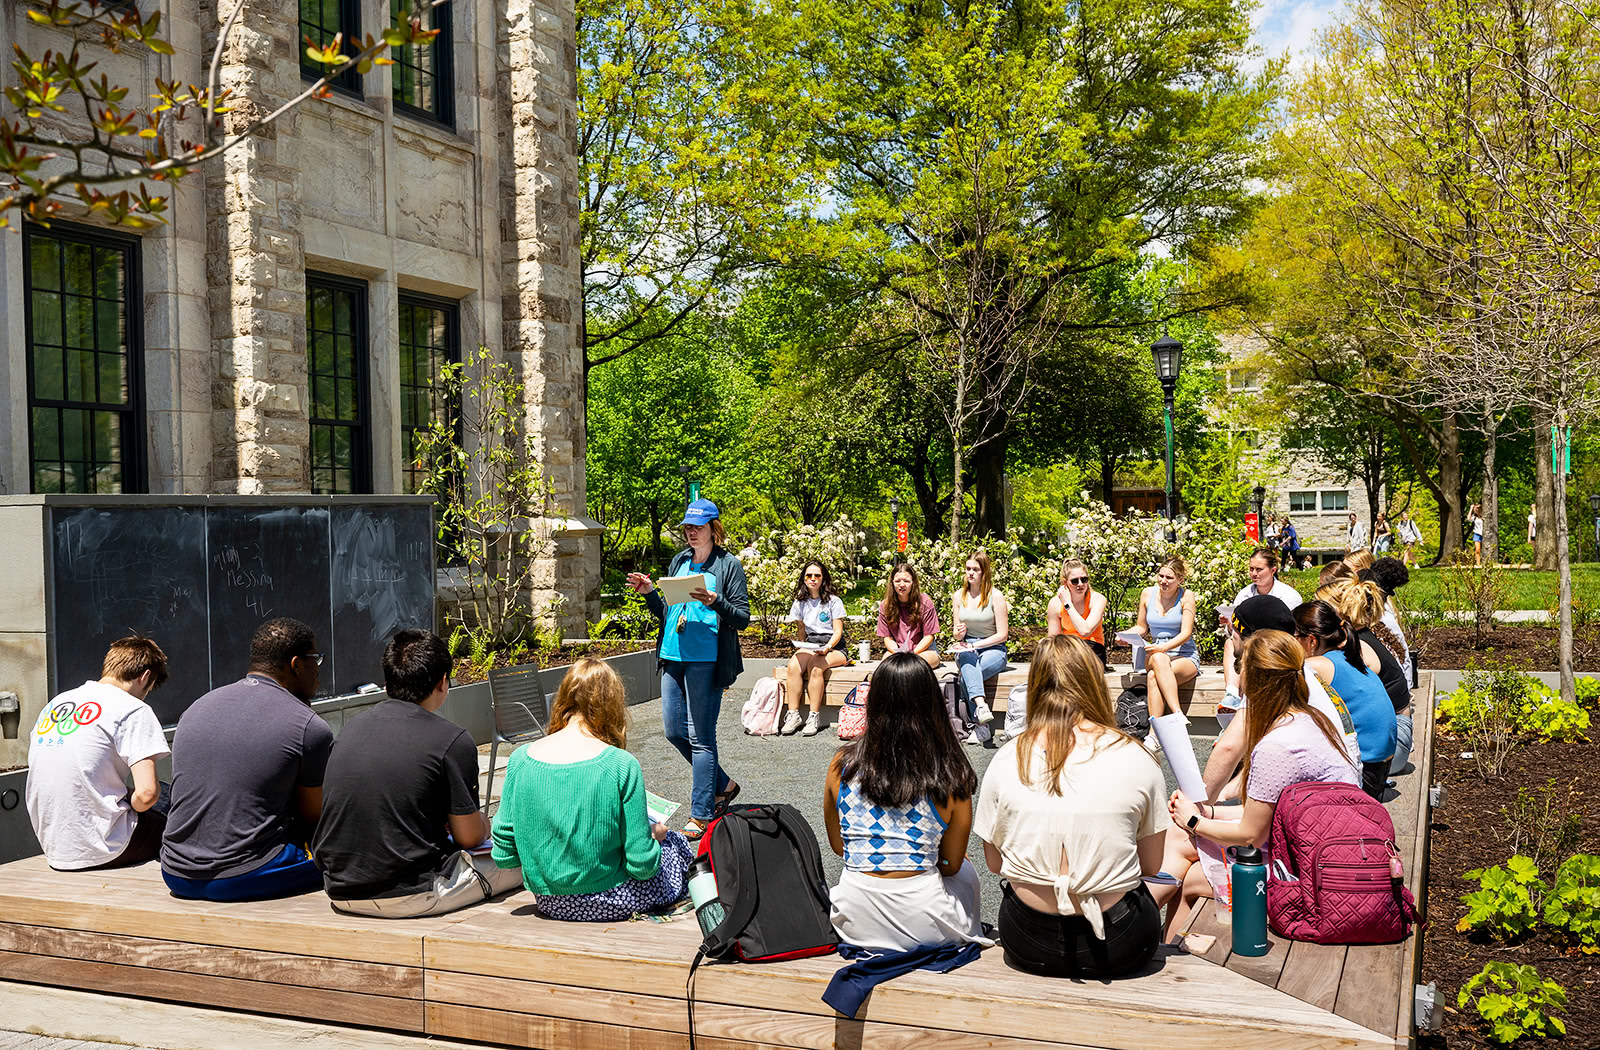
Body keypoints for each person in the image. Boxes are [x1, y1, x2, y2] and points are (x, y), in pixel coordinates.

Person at [975, 636, 1165, 978]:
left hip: (1028, 937)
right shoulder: (1136, 756)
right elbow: (1151, 864)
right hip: (1120, 939)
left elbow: (994, 862)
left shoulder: (1008, 757)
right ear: (1094, 683)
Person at [1155, 630, 1359, 936]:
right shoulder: (1312, 719)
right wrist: (1207, 815)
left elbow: (1250, 835)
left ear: (1255, 679)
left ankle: (1144, 926)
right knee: (1179, 835)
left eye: (1241, 666)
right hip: (1330, 848)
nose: (1237, 674)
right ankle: (1142, 916)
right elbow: (1271, 814)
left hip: (1310, 874)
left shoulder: (1276, 746)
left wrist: (1195, 820)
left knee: (1192, 875)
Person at [313, 629, 522, 917]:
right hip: (413, 893)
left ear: (387, 683)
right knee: (520, 857)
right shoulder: (452, 740)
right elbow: (469, 838)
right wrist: (485, 825)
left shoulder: (349, 731)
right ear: (443, 682)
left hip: (339, 890)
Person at [491, 658, 693, 921]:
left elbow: (504, 856)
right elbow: (641, 865)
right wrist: (653, 837)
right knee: (676, 844)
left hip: (548, 900)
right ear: (613, 705)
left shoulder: (520, 759)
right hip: (611, 897)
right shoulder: (621, 765)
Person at [823, 652, 987, 952]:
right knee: (965, 870)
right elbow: (950, 864)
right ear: (931, 702)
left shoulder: (842, 764)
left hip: (852, 918)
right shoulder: (949, 769)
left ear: (874, 701)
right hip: (926, 923)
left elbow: (839, 845)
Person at [160, 618, 333, 901]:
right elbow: (314, 816)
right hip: (243, 875)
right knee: (351, 852)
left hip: (176, 872)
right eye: (315, 659)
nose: (318, 669)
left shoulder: (196, 708)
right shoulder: (307, 726)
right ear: (296, 664)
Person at [627, 498, 747, 839]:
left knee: (701, 737)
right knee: (674, 731)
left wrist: (715, 601)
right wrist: (650, 592)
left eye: (698, 527)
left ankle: (701, 813)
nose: (691, 533)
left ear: (713, 529)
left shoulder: (728, 565)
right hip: (672, 654)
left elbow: (742, 617)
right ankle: (723, 784)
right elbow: (666, 612)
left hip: (706, 659)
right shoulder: (679, 560)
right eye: (688, 528)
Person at [26, 637, 171, 871]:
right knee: (172, 798)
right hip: (105, 848)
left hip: (55, 845)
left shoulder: (57, 703)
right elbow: (147, 795)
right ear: (145, 677)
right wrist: (134, 803)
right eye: (149, 689)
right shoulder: (133, 709)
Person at [1201, 596, 1358, 803]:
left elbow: (1228, 748)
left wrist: (1197, 807)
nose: (1230, 639)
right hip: (1344, 789)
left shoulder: (1269, 676)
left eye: (1234, 631)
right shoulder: (1294, 669)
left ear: (1250, 639)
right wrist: (1224, 793)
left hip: (1327, 806)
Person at [1292, 600, 1395, 799]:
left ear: (1311, 641)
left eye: (1293, 637)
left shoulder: (1316, 666)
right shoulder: (1348, 657)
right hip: (1380, 766)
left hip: (1364, 772)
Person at [1321, 577, 1413, 774]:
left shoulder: (1358, 647)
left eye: (1322, 608)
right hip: (1394, 737)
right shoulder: (1362, 635)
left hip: (1394, 745)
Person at [1221, 548, 1302, 701]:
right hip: (1247, 646)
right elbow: (1234, 634)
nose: (1254, 573)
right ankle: (1231, 694)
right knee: (1229, 643)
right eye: (1251, 569)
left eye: (1259, 569)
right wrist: (1230, 624)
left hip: (1275, 648)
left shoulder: (1289, 596)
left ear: (1273, 570)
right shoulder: (1244, 594)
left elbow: (1292, 632)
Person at [782, 561, 849, 737]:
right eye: (809, 576)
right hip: (811, 643)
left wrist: (827, 647)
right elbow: (802, 630)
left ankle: (813, 716)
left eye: (817, 576)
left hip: (834, 646)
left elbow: (838, 632)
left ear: (823, 578)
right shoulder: (800, 602)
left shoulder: (834, 601)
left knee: (816, 665)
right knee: (794, 666)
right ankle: (794, 714)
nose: (813, 579)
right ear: (804, 579)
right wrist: (800, 648)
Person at [1133, 557, 1199, 728]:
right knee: (1159, 659)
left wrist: (1163, 647)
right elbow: (1141, 628)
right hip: (1155, 653)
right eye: (1161, 576)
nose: (1163, 581)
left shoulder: (1186, 596)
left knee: (1153, 676)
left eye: (1169, 578)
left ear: (1180, 579)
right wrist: (1126, 635)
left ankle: (1154, 735)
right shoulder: (1147, 593)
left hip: (1183, 654)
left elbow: (1186, 633)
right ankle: (1177, 713)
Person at [951, 551, 1009, 744]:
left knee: (968, 676)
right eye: (968, 569)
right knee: (968, 660)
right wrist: (959, 634)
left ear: (984, 572)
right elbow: (956, 633)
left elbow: (1003, 634)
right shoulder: (959, 596)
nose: (971, 573)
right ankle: (982, 708)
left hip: (994, 648)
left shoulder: (996, 596)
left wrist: (975, 644)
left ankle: (980, 725)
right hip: (967, 648)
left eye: (975, 569)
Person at [876, 562, 941, 669]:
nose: (902, 585)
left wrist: (912, 654)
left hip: (923, 651)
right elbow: (887, 638)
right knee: (886, 666)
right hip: (897, 650)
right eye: (897, 581)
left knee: (914, 666)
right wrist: (897, 653)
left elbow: (929, 636)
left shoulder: (925, 602)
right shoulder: (885, 605)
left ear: (913, 583)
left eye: (906, 581)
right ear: (892, 583)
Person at [1047, 559, 1107, 666]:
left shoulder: (1097, 599)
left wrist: (1068, 604)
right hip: (1067, 648)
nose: (1080, 584)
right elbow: (1053, 639)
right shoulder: (1055, 603)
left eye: (1084, 579)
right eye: (1075, 581)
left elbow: (1085, 631)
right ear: (1065, 583)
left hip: (1092, 649)